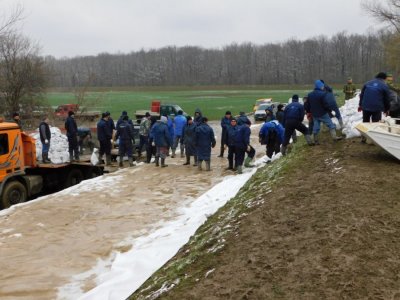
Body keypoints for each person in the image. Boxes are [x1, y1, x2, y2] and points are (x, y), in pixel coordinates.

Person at [359, 72, 391, 142]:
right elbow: (387, 99)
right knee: (375, 123)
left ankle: (364, 138)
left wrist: (360, 105)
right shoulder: (384, 85)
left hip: (365, 106)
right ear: (384, 78)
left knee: (365, 122)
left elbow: (361, 95)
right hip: (377, 107)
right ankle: (373, 140)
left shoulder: (367, 83)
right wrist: (387, 109)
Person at [308, 80, 342, 144]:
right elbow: (325, 104)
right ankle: (334, 137)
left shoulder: (310, 94)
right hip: (323, 113)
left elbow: (308, 104)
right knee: (331, 125)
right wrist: (330, 110)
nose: (323, 87)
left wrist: (310, 111)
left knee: (316, 127)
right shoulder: (322, 94)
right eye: (322, 86)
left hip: (315, 114)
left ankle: (315, 140)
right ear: (320, 86)